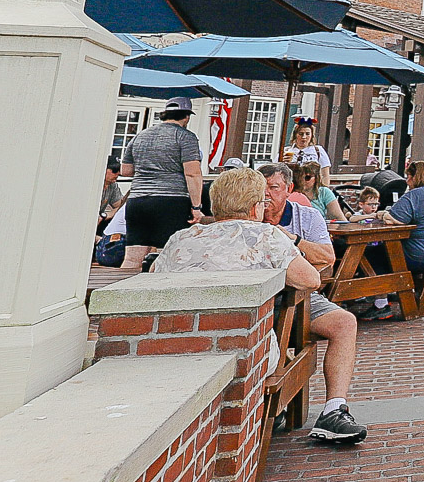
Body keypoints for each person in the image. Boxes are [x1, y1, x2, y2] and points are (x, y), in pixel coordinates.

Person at [153, 166, 368, 444]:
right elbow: (311, 279)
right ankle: (316, 409)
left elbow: (155, 280)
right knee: (304, 339)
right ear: (256, 208)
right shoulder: (265, 236)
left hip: (186, 339)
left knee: (336, 323)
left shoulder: (179, 239)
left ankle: (318, 409)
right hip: (249, 342)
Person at [120, 97, 205, 272]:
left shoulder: (140, 136)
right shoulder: (185, 137)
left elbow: (126, 170)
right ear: (186, 116)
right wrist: (196, 206)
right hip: (170, 202)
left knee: (131, 258)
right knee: (165, 257)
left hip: (138, 201)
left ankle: (119, 294)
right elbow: (192, 173)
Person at [258, 164, 337, 272]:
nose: (265, 193)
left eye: (273, 187)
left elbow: (328, 257)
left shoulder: (310, 216)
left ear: (289, 189)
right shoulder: (247, 216)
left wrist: (291, 239)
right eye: (260, 188)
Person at [99, 158, 126, 235]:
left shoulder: (113, 186)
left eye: (119, 171)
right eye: (114, 170)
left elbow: (121, 206)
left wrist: (106, 215)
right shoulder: (95, 184)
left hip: (100, 220)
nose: (117, 174)